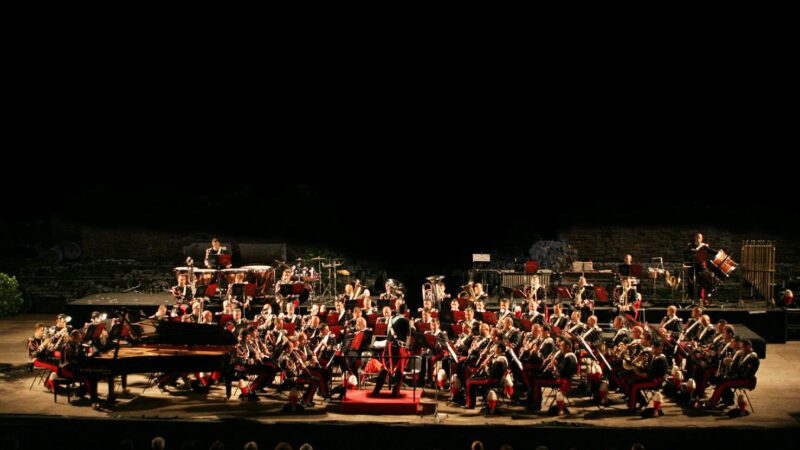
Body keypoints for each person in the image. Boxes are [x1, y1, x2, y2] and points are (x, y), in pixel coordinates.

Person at [371, 304, 410, 397]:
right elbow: (406, 335)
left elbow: (387, 332)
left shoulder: (391, 318)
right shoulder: (405, 321)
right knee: (399, 369)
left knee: (384, 368)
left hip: (388, 347)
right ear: (405, 312)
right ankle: (395, 392)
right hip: (398, 348)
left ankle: (376, 390)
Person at [684, 232, 718, 305]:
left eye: (699, 238)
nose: (698, 239)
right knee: (691, 283)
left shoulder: (704, 246)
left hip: (701, 267)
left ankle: (700, 298)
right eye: (697, 237)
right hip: (692, 267)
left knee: (701, 283)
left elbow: (712, 251)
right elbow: (689, 253)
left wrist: (719, 253)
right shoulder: (690, 246)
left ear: (702, 239)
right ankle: (691, 299)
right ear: (695, 238)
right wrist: (700, 246)